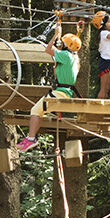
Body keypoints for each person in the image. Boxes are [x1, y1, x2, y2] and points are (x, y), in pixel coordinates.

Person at [18, 21, 83, 150]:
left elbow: (48, 49)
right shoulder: (73, 58)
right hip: (64, 91)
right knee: (39, 111)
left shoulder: (66, 56)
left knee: (35, 110)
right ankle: (30, 138)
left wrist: (55, 35)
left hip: (61, 92)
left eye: (62, 43)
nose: (60, 44)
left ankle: (31, 139)